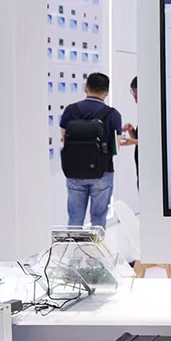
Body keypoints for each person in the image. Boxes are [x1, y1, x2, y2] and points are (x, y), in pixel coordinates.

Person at [60, 72, 122, 228]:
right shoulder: (113, 114)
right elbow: (116, 147)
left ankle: (74, 244)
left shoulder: (70, 110)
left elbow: (64, 139)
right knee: (98, 219)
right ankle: (96, 244)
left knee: (75, 218)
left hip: (74, 171)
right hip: (103, 172)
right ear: (107, 92)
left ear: (86, 88)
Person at [119, 76, 139, 186]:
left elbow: (157, 142)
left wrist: (133, 142)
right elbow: (141, 140)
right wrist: (132, 131)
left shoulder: (156, 112)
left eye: (136, 93)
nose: (135, 97)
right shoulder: (145, 111)